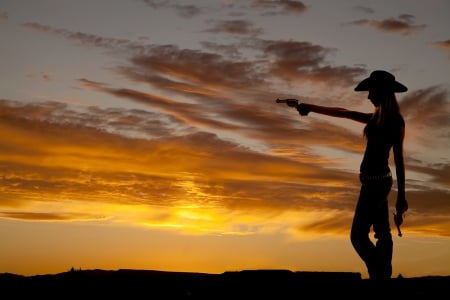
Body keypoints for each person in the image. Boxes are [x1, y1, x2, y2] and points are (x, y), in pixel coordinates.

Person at [293, 70, 409, 281]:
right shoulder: (375, 119)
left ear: (382, 92)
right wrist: (311, 107)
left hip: (378, 185)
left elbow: (399, 161)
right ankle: (382, 276)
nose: (368, 96)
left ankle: (380, 274)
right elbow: (343, 112)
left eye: (371, 91)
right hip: (372, 184)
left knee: (358, 236)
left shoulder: (395, 122)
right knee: (382, 233)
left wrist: (402, 197)